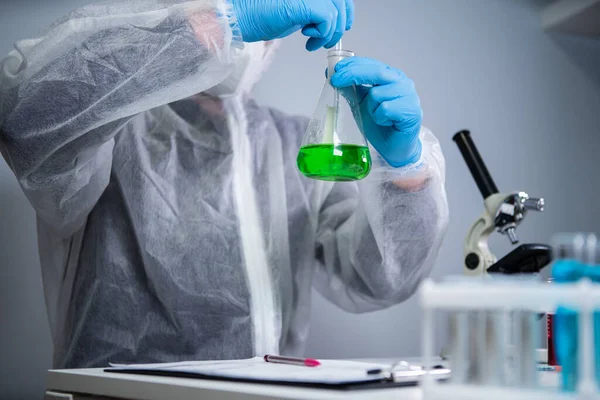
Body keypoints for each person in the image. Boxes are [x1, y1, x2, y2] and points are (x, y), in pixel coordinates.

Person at [0, 0, 449, 369]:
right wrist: (219, 23)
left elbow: (380, 276)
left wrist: (404, 167)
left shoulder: (291, 145)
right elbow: (23, 115)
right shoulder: (106, 130)